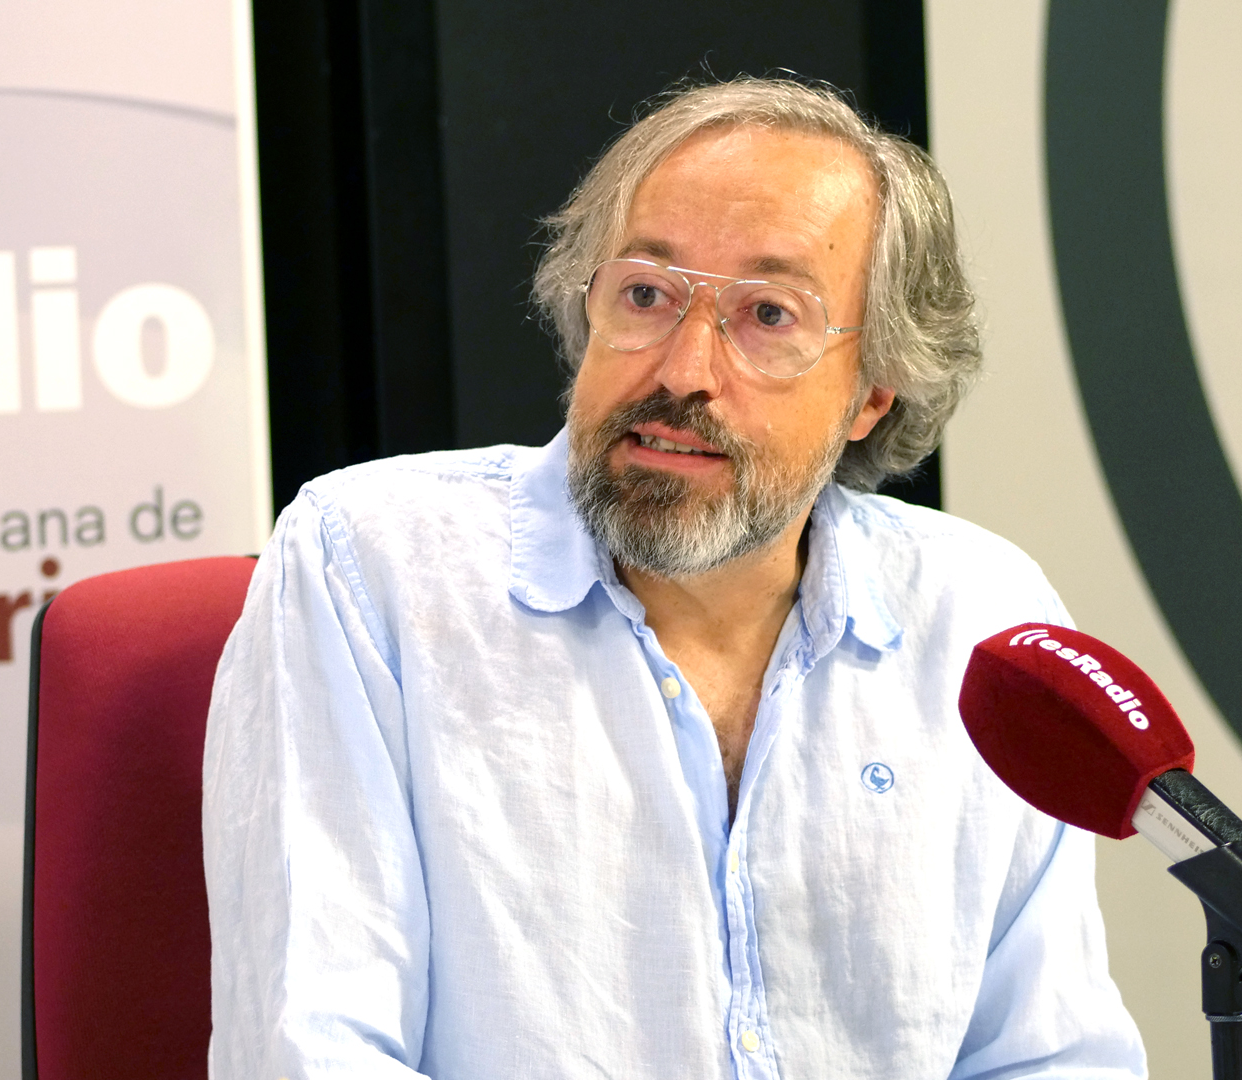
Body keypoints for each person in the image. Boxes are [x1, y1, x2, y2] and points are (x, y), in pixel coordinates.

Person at [203, 77, 1146, 1079]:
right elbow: (313, 1049)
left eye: (769, 314)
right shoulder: (370, 569)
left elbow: (1053, 1055)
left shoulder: (981, 619)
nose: (683, 370)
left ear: (873, 391)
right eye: (646, 295)